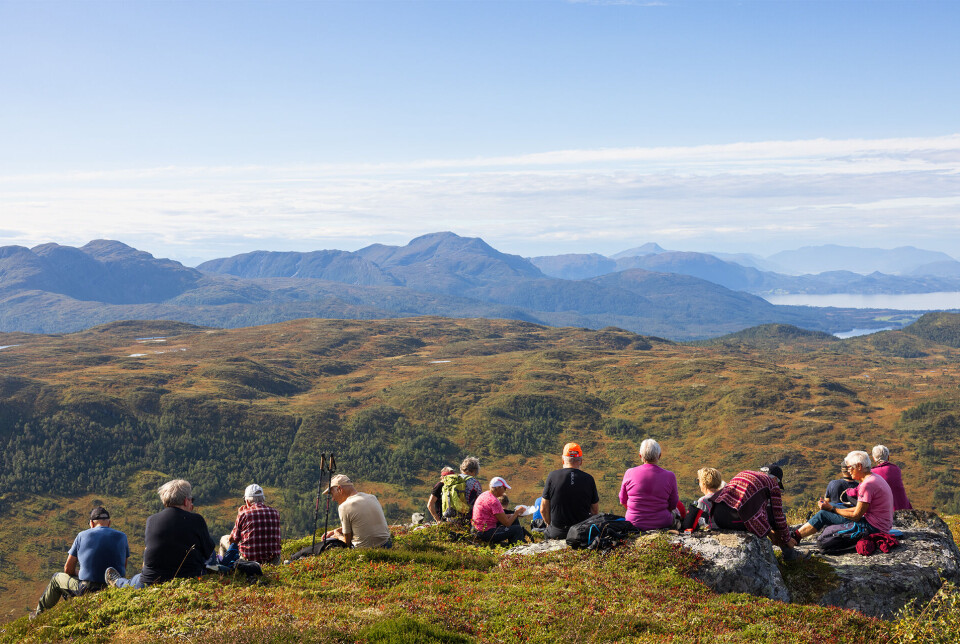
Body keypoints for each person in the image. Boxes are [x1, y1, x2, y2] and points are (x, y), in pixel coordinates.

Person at [106, 479, 215, 589]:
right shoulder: (197, 520)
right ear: (186, 501)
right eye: (192, 500)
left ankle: (118, 581)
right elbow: (208, 552)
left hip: (151, 581)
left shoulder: (151, 520)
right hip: (190, 578)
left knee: (132, 582)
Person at [30, 506, 129, 619]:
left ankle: (38, 616)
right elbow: (122, 569)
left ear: (91, 523)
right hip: (114, 588)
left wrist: (79, 572)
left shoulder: (82, 535)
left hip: (87, 589)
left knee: (57, 578)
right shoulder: (122, 536)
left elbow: (68, 569)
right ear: (109, 523)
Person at [795, 451, 895, 542]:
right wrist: (831, 507)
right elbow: (860, 509)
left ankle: (794, 537)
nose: (849, 471)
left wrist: (832, 509)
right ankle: (796, 536)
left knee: (824, 514)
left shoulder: (867, 485)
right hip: (881, 525)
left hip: (873, 527)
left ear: (859, 466)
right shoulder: (875, 477)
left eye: (850, 467)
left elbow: (856, 516)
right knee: (831, 506)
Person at [711, 464, 805, 561]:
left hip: (718, 517)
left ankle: (784, 549)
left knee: (767, 512)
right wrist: (787, 539)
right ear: (776, 478)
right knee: (775, 515)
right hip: (735, 520)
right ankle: (791, 555)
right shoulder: (773, 484)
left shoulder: (745, 473)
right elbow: (778, 517)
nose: (778, 486)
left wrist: (769, 532)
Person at [541, 442, 600, 539]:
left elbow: (543, 509)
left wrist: (549, 524)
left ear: (563, 460)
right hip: (580, 532)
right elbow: (595, 510)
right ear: (581, 461)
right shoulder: (589, 479)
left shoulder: (552, 476)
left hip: (557, 532)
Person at [618, 439, 679, 531]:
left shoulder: (629, 473)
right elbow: (673, 504)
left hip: (634, 523)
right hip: (662, 523)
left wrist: (635, 511)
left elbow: (623, 500)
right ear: (659, 456)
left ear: (640, 456)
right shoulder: (670, 476)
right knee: (678, 513)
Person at [322, 474, 392, 549]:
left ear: (340, 489)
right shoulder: (372, 497)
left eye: (332, 494)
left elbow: (347, 543)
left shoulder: (344, 507)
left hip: (363, 550)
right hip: (387, 545)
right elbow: (360, 524)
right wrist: (336, 530)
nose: (333, 499)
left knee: (330, 541)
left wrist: (337, 535)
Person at [229, 483, 282, 565]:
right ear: (263, 499)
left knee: (224, 539)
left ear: (247, 501)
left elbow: (233, 540)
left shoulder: (244, 514)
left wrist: (239, 515)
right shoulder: (275, 512)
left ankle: (225, 566)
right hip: (273, 561)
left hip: (249, 561)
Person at [472, 477, 526, 546]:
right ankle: (517, 550)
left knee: (513, 520)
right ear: (498, 487)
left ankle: (513, 545)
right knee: (517, 529)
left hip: (476, 529)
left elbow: (497, 516)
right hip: (486, 533)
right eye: (504, 488)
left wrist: (513, 515)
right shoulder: (494, 501)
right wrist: (515, 514)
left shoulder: (484, 494)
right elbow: (507, 524)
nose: (505, 490)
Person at [870, 445, 913, 511]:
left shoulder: (873, 473)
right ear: (888, 457)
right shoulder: (896, 469)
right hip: (903, 506)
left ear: (873, 458)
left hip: (887, 510)